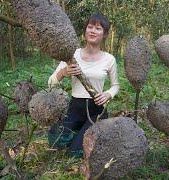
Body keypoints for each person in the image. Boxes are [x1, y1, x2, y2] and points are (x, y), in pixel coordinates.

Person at [47, 13, 119, 158]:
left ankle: (86, 133)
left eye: (98, 28)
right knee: (55, 140)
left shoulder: (109, 59)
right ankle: (82, 132)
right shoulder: (72, 55)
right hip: (75, 107)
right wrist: (64, 71)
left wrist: (107, 94)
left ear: (104, 34)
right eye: (90, 27)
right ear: (85, 31)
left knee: (76, 152)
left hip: (96, 110)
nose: (92, 31)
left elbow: (116, 86)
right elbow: (50, 83)